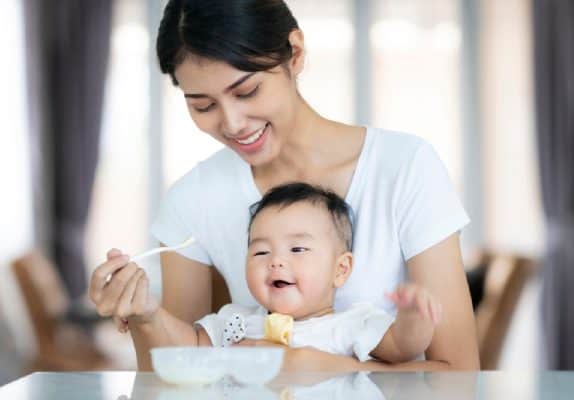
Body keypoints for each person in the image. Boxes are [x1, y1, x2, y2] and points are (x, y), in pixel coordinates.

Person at [89, 0, 479, 371]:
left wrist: (317, 368)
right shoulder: (191, 202)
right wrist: (140, 314)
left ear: (295, 53)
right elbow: (178, 372)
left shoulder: (404, 168)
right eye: (203, 105)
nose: (233, 123)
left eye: (247, 91)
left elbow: (460, 374)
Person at [92, 183, 441, 367]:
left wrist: (415, 317)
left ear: (341, 269)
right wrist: (149, 311)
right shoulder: (237, 322)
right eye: (260, 251)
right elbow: (190, 346)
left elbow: (401, 349)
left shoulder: (351, 324)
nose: (275, 262)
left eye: (298, 250)